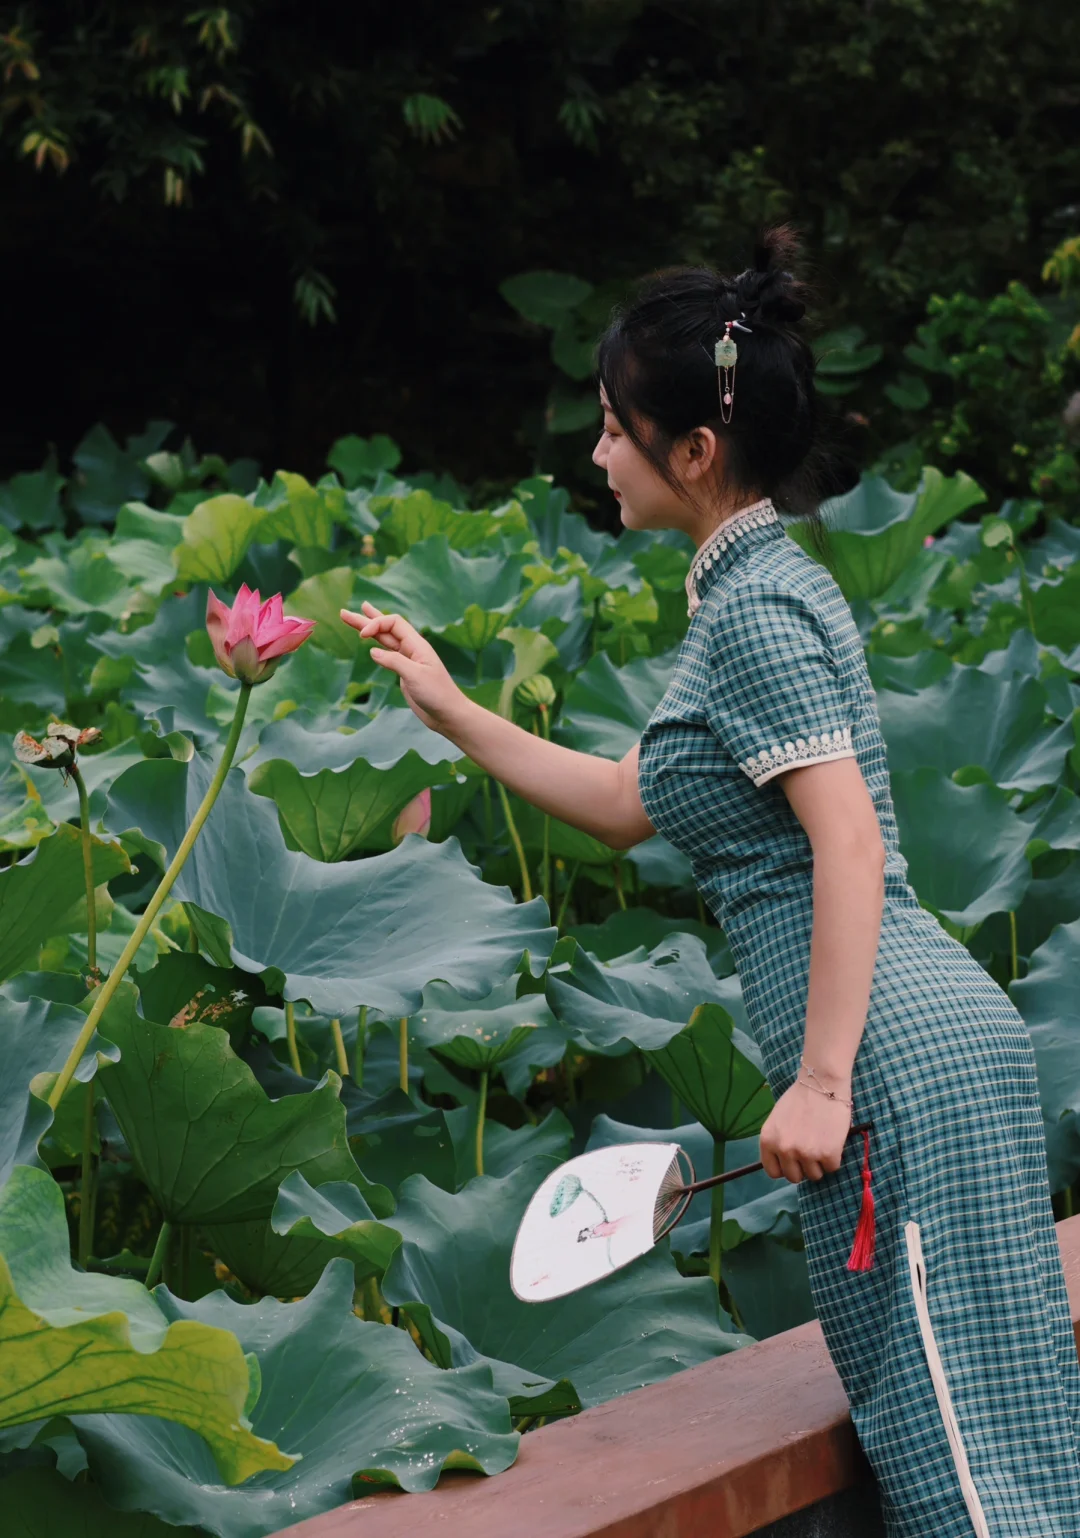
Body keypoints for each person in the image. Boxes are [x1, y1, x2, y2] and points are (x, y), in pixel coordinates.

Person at [341, 227, 1080, 1535]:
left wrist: (824, 1077)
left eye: (618, 427)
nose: (598, 452)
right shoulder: (751, 589)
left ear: (692, 450)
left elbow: (847, 838)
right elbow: (631, 806)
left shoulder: (756, 612)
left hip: (893, 1073)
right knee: (1004, 1446)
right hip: (923, 1051)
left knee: (976, 1480)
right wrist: (454, 709)